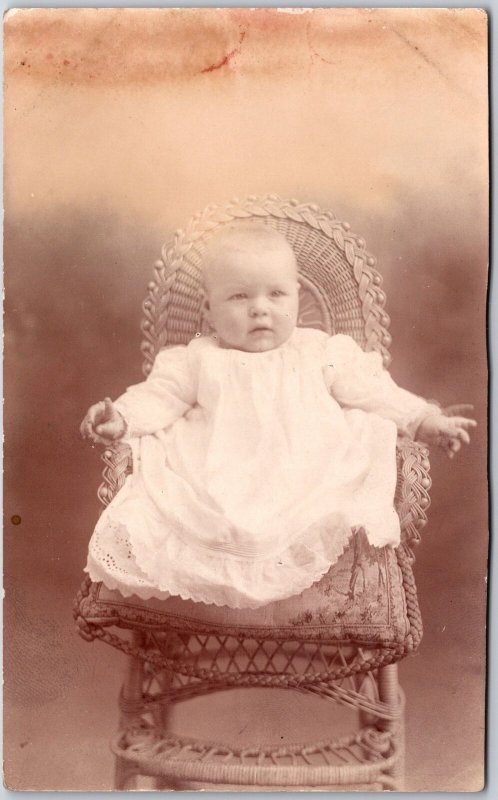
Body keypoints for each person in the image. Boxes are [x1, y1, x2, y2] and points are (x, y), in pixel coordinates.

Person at [81, 224, 476, 609]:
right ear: (209, 308)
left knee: (351, 461)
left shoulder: (319, 351)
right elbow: (159, 396)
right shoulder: (199, 358)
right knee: (188, 506)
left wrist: (423, 418)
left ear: (296, 298)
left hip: (303, 479)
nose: (260, 309)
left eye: (276, 295)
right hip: (219, 477)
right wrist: (123, 418)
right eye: (238, 296)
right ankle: (217, 591)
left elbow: (373, 391)